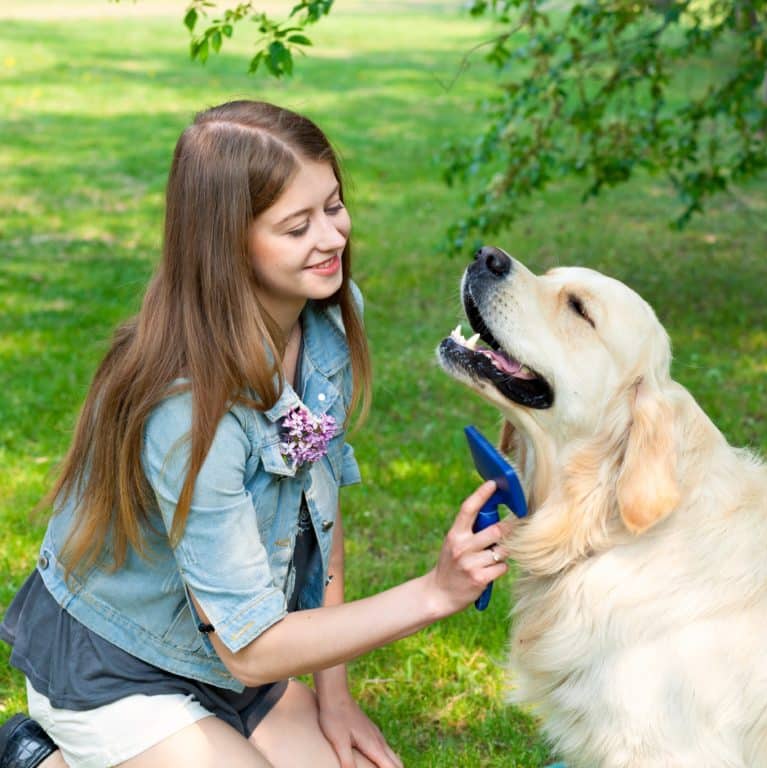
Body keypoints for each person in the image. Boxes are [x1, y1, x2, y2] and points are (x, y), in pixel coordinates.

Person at [0, 100, 513, 768]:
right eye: (297, 225)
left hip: (230, 653)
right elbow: (251, 648)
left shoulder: (328, 321)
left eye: (333, 206)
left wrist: (334, 697)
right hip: (121, 666)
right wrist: (433, 593)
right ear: (227, 244)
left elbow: (317, 517)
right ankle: (43, 758)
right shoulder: (187, 413)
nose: (331, 238)